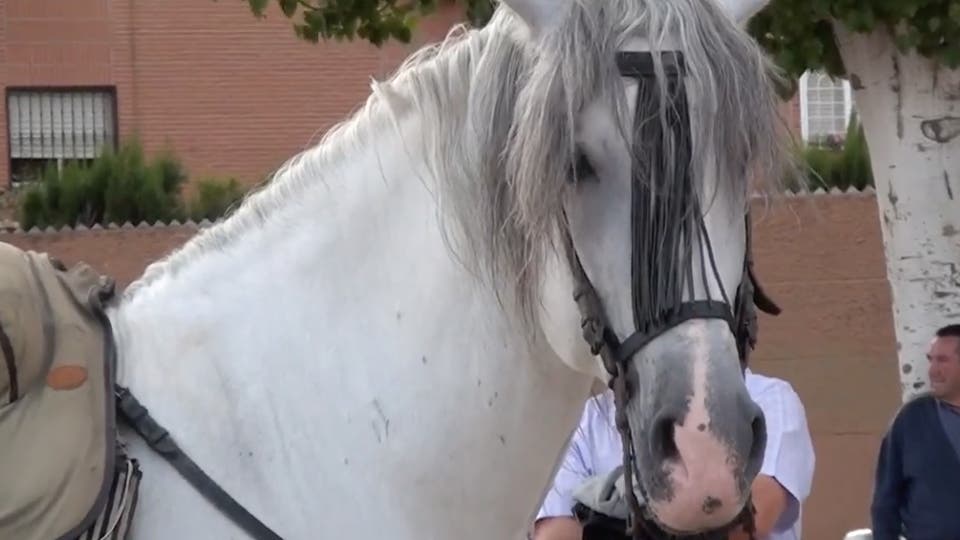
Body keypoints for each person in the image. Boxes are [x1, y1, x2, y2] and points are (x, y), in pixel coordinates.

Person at [533, 368, 815, 540]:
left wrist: (607, 521)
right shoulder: (583, 421)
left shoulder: (767, 399)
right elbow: (554, 535)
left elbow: (753, 519)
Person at [870, 324, 960, 540]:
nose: (932, 370)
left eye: (943, 360)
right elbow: (885, 502)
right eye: (932, 359)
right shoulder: (910, 420)